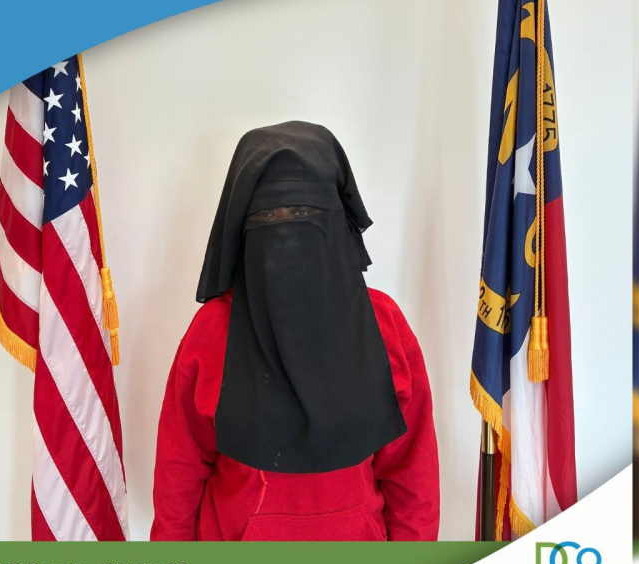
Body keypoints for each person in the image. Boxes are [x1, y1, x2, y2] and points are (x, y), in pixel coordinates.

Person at [150, 121, 438, 541]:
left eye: (304, 212)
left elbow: (412, 472)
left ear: (337, 219)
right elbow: (179, 474)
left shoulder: (383, 324)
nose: (285, 229)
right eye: (266, 215)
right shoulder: (213, 329)